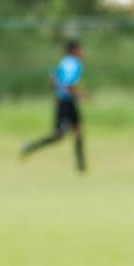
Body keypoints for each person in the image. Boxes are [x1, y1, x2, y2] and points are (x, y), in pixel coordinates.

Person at [19, 38, 87, 172]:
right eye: (81, 49)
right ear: (74, 51)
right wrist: (82, 94)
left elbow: (53, 79)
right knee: (59, 136)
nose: (83, 52)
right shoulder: (73, 64)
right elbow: (69, 84)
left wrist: (66, 89)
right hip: (66, 103)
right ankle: (29, 146)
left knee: (78, 131)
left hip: (67, 101)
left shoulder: (65, 62)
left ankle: (81, 166)